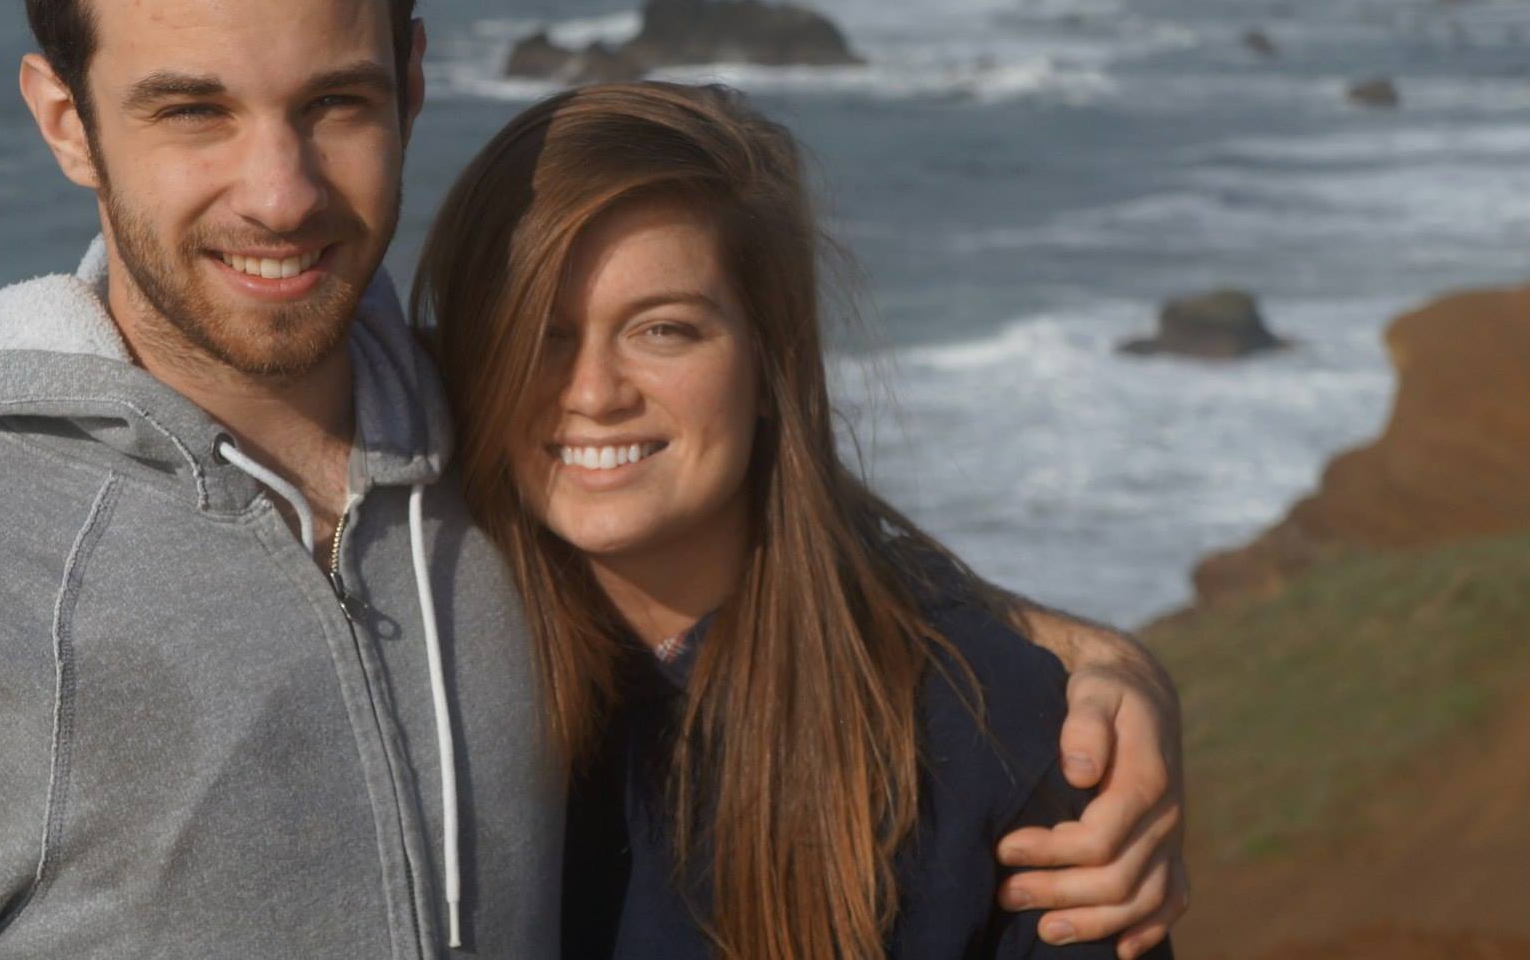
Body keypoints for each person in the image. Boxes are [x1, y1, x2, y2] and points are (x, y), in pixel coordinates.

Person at [0, 0, 1182, 957]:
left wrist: (1079, 667)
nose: (280, 191)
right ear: (66, 119)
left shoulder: (502, 455)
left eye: (334, 102)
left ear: (415, 79)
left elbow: (750, 532)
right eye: (192, 110)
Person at [414, 82, 1182, 959]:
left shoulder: (981, 730)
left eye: (662, 330)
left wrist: (1113, 672)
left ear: (772, 360)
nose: (593, 392)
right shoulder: (418, 685)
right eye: (540, 333)